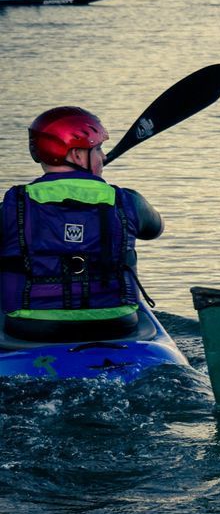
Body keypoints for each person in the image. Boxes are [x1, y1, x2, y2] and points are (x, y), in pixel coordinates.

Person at [1, 107, 163, 342]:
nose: (104, 157)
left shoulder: (11, 205)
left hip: (32, 327)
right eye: (98, 149)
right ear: (77, 155)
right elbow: (155, 229)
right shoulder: (129, 201)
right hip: (115, 324)